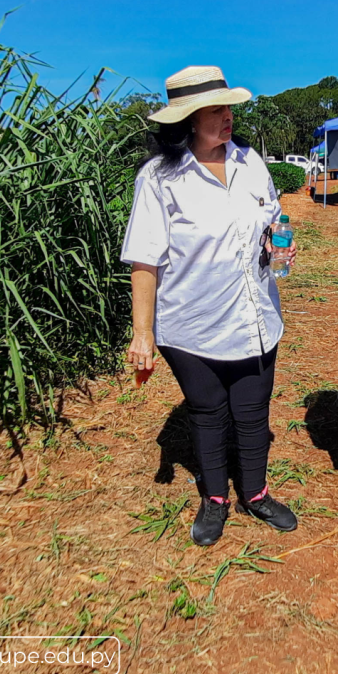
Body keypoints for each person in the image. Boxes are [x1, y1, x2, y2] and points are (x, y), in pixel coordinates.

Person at [121, 66, 299, 547]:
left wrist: (278, 246)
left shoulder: (251, 163)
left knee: (252, 410)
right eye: (215, 110)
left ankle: (256, 493)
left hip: (255, 316)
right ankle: (215, 498)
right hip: (192, 324)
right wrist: (142, 333)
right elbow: (144, 258)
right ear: (187, 121)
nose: (227, 117)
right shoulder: (160, 179)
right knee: (207, 412)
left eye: (228, 108)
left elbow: (272, 220)